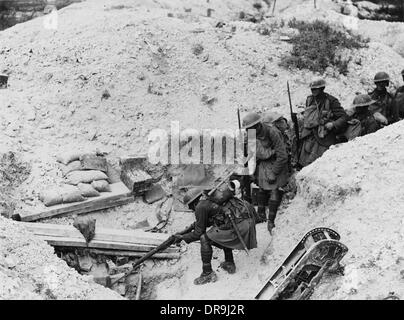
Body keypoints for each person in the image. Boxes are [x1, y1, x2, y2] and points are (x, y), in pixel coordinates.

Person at [174, 187, 257, 285]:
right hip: (243, 223)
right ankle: (229, 263)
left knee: (204, 238)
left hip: (238, 227)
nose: (189, 208)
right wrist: (189, 229)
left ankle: (207, 273)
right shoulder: (208, 200)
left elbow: (198, 233)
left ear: (194, 202)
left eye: (189, 205)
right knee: (219, 230)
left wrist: (183, 238)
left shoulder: (200, 207)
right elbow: (208, 221)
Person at [241, 112, 289, 233]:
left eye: (250, 129)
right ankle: (260, 214)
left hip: (277, 163)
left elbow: (282, 155)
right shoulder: (251, 134)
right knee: (261, 187)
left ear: (258, 126)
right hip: (262, 162)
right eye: (247, 130)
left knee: (274, 189)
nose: (248, 132)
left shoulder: (272, 132)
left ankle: (271, 221)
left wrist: (274, 172)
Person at [298, 78, 348, 167]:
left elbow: (344, 117)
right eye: (312, 89)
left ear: (322, 88)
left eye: (315, 89)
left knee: (319, 163)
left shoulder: (331, 101)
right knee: (303, 159)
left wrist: (333, 124)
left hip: (325, 135)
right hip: (310, 133)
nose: (313, 91)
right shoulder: (309, 100)